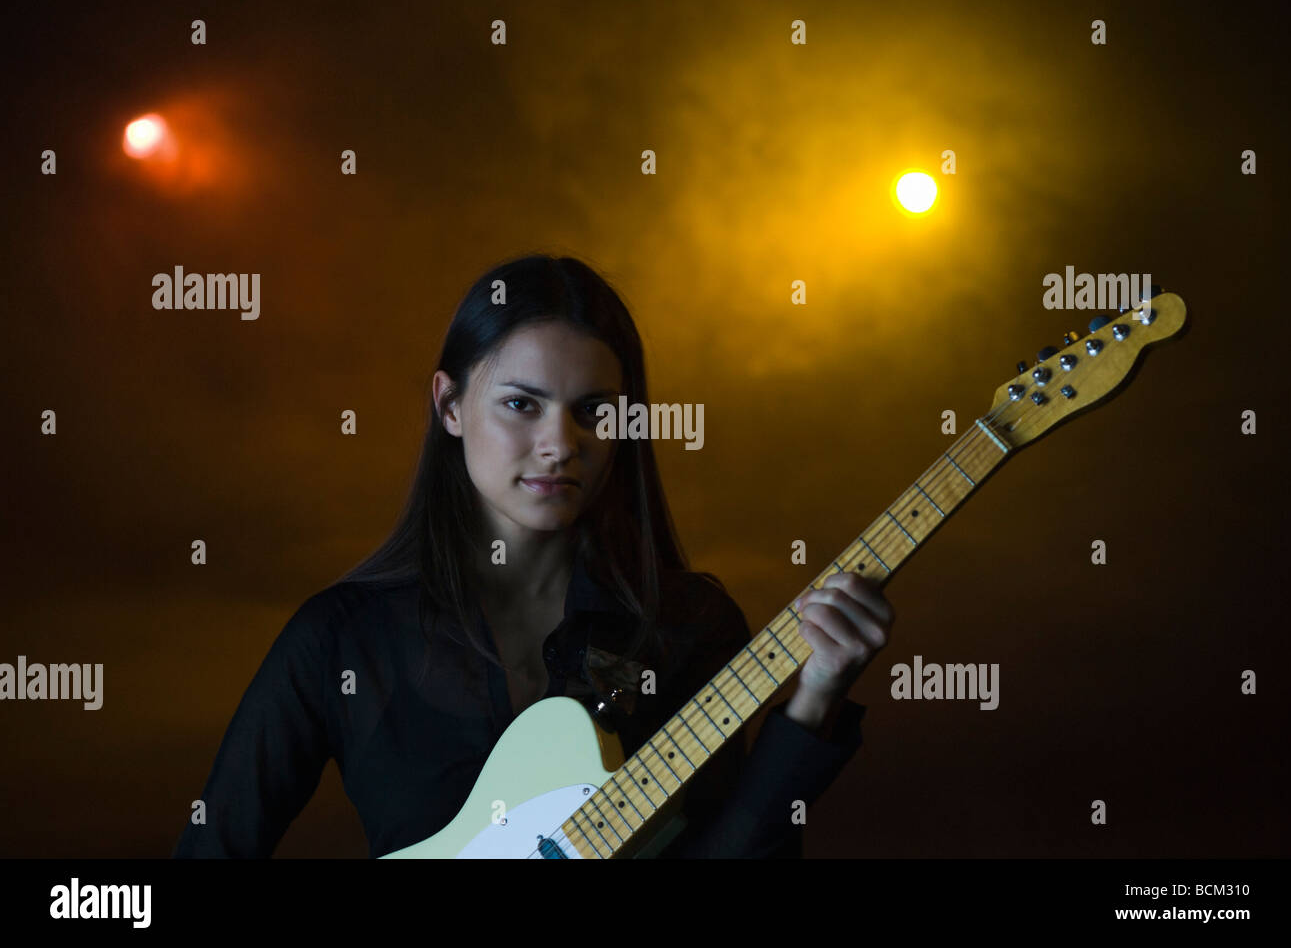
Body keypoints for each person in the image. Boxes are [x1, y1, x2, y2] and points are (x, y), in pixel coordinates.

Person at [172, 253, 894, 859]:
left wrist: (817, 692)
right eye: (522, 404)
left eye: (592, 410)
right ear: (449, 405)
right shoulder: (340, 639)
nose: (560, 443)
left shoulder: (686, 623)